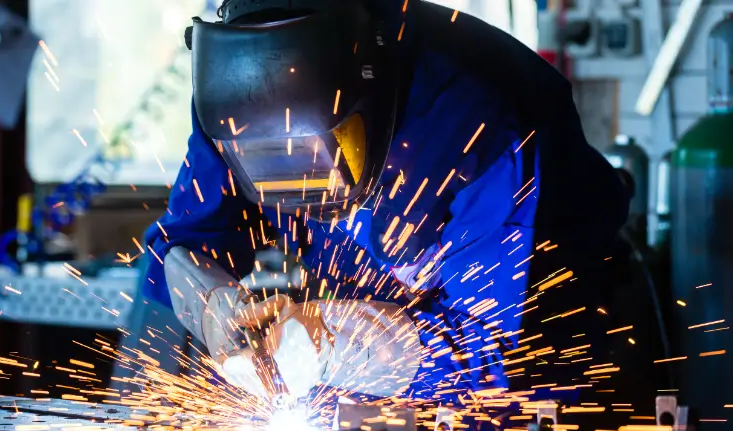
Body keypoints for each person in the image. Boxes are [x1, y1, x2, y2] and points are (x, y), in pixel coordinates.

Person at [143, 0, 629, 404]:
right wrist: (212, 306)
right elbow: (184, 243)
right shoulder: (232, 99)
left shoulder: (476, 119)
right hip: (367, 366)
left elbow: (490, 354)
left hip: (541, 360)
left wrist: (333, 344)